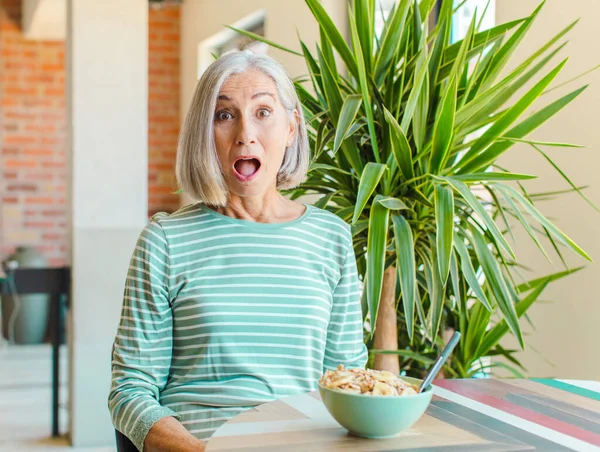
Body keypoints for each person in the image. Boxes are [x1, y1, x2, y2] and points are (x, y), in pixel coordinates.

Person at [108, 50, 368, 452]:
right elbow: (130, 391)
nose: (246, 133)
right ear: (204, 133)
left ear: (292, 127)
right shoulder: (165, 240)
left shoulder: (331, 238)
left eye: (263, 112)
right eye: (224, 115)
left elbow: (348, 381)